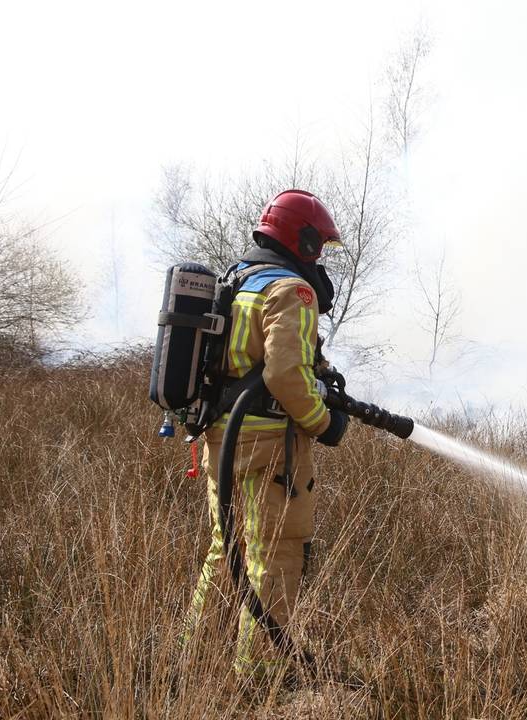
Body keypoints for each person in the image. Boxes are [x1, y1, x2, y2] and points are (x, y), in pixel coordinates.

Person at [181, 189, 349, 680]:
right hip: (270, 447)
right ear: (305, 239)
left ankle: (198, 658)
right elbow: (285, 378)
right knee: (274, 553)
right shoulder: (292, 291)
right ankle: (259, 676)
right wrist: (324, 422)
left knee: (226, 548)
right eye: (319, 244)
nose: (320, 257)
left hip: (220, 439)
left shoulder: (241, 280)